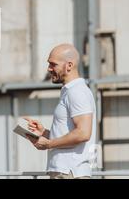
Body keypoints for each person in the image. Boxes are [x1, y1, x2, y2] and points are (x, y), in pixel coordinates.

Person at [24, 44, 96, 179]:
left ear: (69, 65)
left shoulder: (77, 92)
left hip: (70, 172)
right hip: (66, 171)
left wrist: (49, 144)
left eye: (53, 64)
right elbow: (70, 133)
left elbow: (83, 133)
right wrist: (45, 133)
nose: (49, 69)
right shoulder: (71, 91)